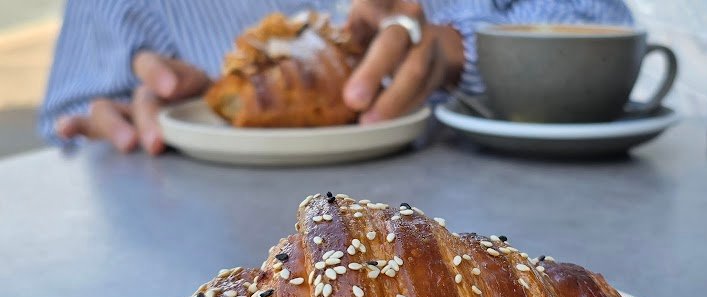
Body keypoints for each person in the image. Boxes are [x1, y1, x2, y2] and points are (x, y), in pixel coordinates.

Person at [41, 0, 633, 154]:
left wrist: (466, 49)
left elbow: (609, 28)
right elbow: (68, 120)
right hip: (193, 257)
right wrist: (122, 120)